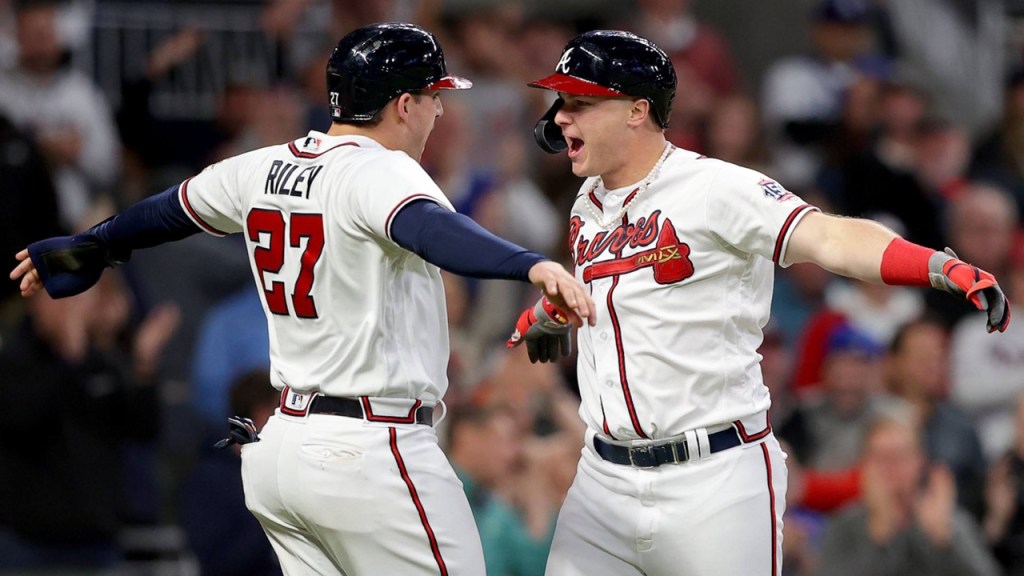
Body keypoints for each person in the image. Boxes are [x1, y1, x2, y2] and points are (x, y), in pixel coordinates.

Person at [10, 22, 596, 576]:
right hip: (372, 450)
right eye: (433, 95)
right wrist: (532, 263)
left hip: (284, 447)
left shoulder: (265, 166)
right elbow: (431, 229)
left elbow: (169, 210)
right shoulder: (382, 169)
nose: (440, 109)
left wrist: (96, 244)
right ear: (403, 104)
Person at [511, 29, 1010, 576]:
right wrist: (553, 315)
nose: (560, 116)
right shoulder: (588, 200)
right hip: (602, 479)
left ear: (637, 110)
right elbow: (624, 297)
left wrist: (935, 266)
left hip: (712, 479)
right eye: (561, 102)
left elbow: (828, 239)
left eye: (579, 102)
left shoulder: (715, 187)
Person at [817, 417, 999, 576]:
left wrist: (942, 538)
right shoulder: (845, 525)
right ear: (864, 465)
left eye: (900, 456)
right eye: (881, 458)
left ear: (920, 461)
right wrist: (879, 535)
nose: (891, 468)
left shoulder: (949, 521)